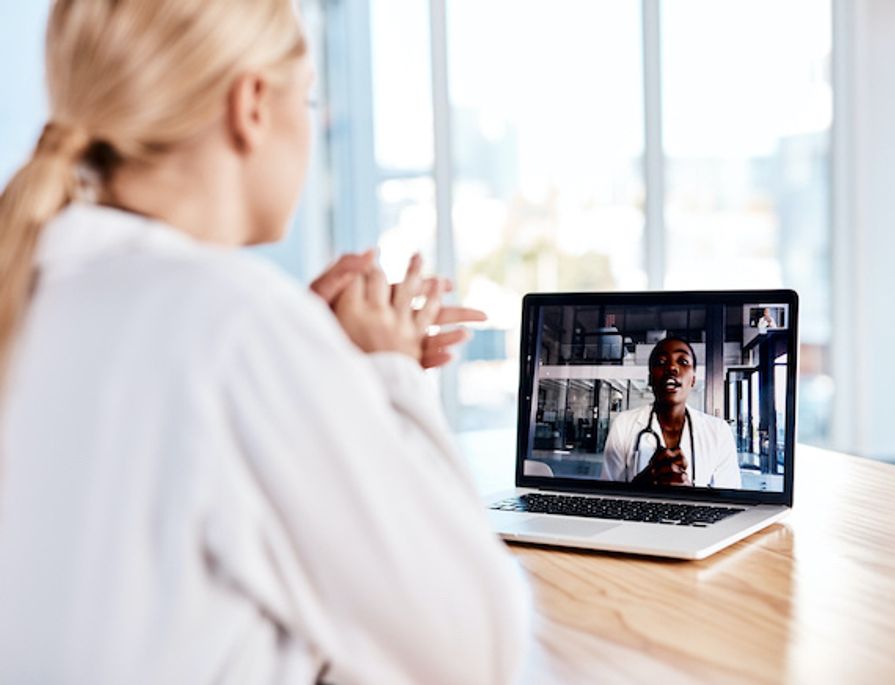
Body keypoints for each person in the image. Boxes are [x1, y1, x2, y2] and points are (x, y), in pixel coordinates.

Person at [0, 1, 529, 683]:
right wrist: (387, 371)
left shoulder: (40, 284)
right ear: (251, 104)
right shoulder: (233, 325)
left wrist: (318, 366)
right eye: (307, 97)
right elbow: (477, 646)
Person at [600, 338, 742, 489]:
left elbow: (729, 498)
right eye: (661, 362)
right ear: (650, 379)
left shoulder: (718, 431)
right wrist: (642, 486)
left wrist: (691, 496)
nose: (672, 367)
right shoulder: (623, 424)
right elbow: (607, 494)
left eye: (683, 361)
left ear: (693, 379)